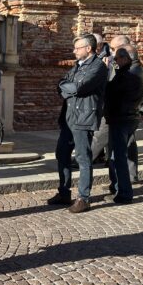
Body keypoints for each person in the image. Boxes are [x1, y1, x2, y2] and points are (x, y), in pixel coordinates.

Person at [48, 34, 107, 213]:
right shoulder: (77, 66)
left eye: (78, 48)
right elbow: (61, 84)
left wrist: (69, 87)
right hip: (68, 117)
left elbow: (80, 88)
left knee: (82, 157)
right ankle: (64, 192)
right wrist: (68, 87)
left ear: (88, 48)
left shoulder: (98, 67)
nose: (74, 51)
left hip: (84, 117)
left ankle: (84, 198)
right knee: (61, 153)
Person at [104, 44, 143, 204]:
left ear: (126, 58)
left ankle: (124, 193)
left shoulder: (129, 73)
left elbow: (110, 90)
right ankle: (118, 188)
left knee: (118, 157)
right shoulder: (137, 69)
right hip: (128, 117)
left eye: (117, 58)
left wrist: (105, 70)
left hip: (122, 118)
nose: (115, 61)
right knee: (118, 155)